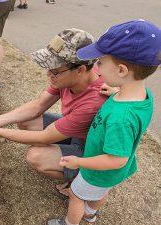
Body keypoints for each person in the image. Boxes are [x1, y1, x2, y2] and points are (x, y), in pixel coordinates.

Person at [47, 19, 161, 225]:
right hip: (110, 176)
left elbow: (116, 159)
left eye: (100, 62)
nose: (96, 68)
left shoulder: (121, 118)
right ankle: (90, 214)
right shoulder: (142, 95)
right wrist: (117, 91)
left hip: (97, 171)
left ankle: (69, 222)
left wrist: (78, 162)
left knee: (75, 195)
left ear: (122, 71)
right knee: (100, 193)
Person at [0, 29, 107, 187]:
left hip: (91, 150)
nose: (48, 75)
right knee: (27, 122)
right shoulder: (72, 77)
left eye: (54, 71)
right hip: (79, 133)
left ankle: (81, 182)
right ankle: (64, 154)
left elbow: (45, 137)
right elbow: (38, 106)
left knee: (35, 156)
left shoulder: (93, 102)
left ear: (80, 70)